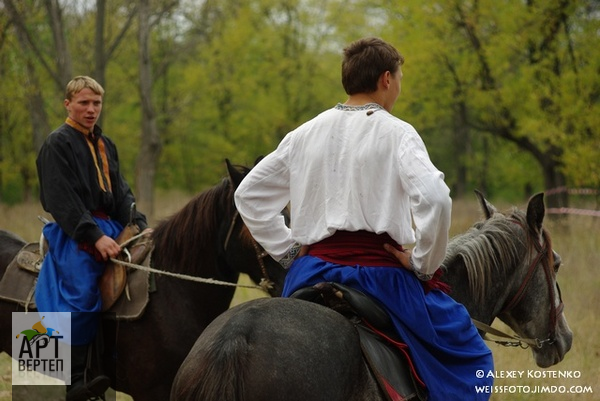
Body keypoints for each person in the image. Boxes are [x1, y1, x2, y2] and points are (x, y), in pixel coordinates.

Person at [234, 37, 493, 400]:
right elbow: (436, 198)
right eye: (400, 77)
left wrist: (290, 251)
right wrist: (422, 264)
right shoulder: (398, 133)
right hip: (380, 277)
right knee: (470, 352)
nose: (399, 86)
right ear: (386, 79)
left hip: (310, 271)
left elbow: (248, 195)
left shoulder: (304, 134)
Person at [35, 76, 149, 401]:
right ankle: (74, 380)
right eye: (84, 103)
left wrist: (136, 220)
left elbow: (121, 191)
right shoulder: (57, 143)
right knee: (81, 293)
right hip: (76, 233)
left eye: (96, 103)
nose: (91, 109)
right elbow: (61, 200)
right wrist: (94, 236)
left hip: (110, 227)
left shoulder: (105, 143)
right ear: (67, 104)